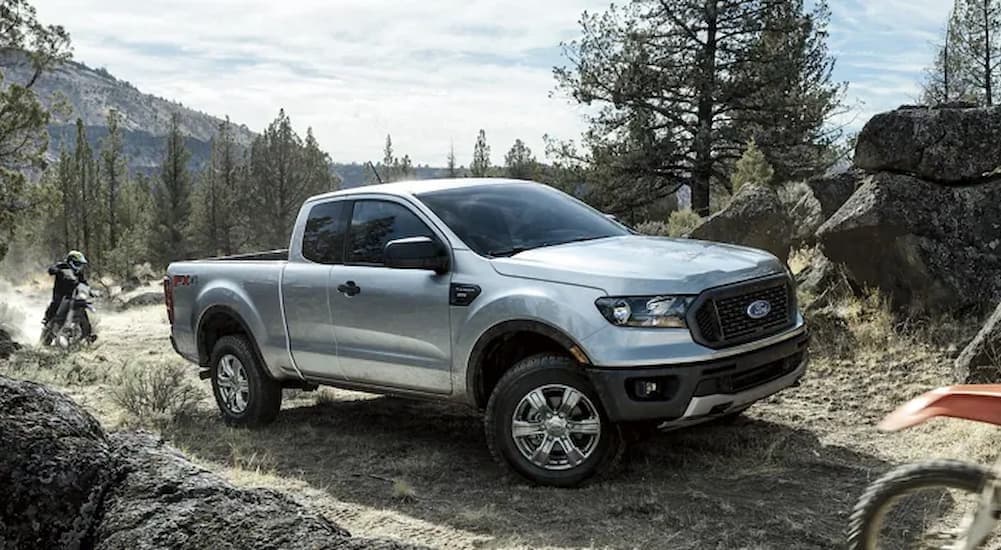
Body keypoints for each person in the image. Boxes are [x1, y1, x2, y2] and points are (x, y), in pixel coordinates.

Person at [43, 250, 89, 326]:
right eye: (77, 264)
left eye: (81, 264)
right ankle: (47, 319)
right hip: (60, 292)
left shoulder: (78, 273)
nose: (79, 267)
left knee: (82, 307)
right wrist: (56, 270)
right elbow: (51, 270)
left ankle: (87, 333)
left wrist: (90, 290)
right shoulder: (62, 266)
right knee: (56, 303)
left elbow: (84, 282)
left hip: (73, 294)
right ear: (71, 261)